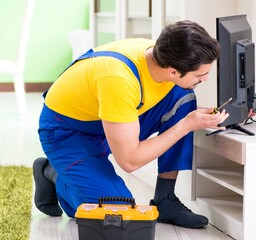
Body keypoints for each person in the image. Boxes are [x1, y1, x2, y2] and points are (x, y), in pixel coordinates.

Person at [33, 20, 229, 229]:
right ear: (172, 71)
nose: (206, 78)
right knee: (114, 210)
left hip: (108, 117)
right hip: (68, 132)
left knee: (183, 97)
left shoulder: (164, 54)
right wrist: (185, 125)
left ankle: (165, 199)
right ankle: (53, 174)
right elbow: (130, 161)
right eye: (200, 75)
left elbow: (163, 103)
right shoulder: (118, 79)